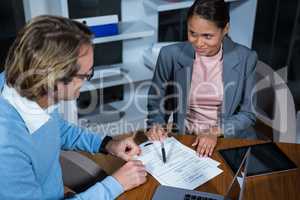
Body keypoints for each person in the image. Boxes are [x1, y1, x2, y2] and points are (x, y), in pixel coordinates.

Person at [0, 15, 147, 200]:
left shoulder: (30, 86)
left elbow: (56, 130)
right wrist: (115, 185)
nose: (87, 81)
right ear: (54, 79)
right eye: (85, 75)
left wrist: (108, 144)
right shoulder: (6, 149)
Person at [146, 0, 257, 157]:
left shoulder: (246, 57)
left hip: (228, 140)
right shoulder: (169, 55)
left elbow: (248, 114)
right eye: (192, 33)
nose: (198, 43)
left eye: (207, 36)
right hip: (187, 139)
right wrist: (156, 125)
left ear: (225, 29)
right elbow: (156, 100)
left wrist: (213, 132)